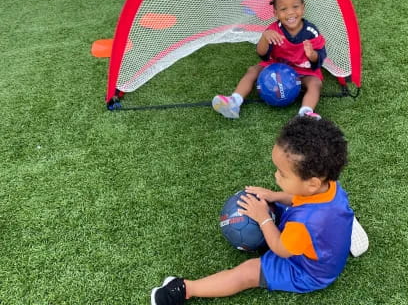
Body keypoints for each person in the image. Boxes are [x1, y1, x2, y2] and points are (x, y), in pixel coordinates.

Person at [151, 117, 368, 305]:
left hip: (307, 271)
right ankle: (340, 228)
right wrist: (274, 196)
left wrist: (263, 218)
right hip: (325, 224)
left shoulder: (304, 224)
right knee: (297, 210)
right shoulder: (329, 186)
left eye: (282, 174)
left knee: (247, 272)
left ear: (311, 183)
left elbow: (281, 249)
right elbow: (299, 199)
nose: (276, 176)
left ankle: (184, 289)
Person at [212, 0, 327, 119]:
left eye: (295, 7)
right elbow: (262, 55)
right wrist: (264, 38)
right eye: (283, 9)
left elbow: (320, 58)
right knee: (253, 70)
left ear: (303, 8)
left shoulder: (311, 31)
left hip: (303, 70)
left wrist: (312, 55)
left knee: (315, 83)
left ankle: (305, 113)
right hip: (276, 66)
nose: (290, 12)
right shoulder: (273, 30)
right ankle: (234, 101)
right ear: (276, 13)